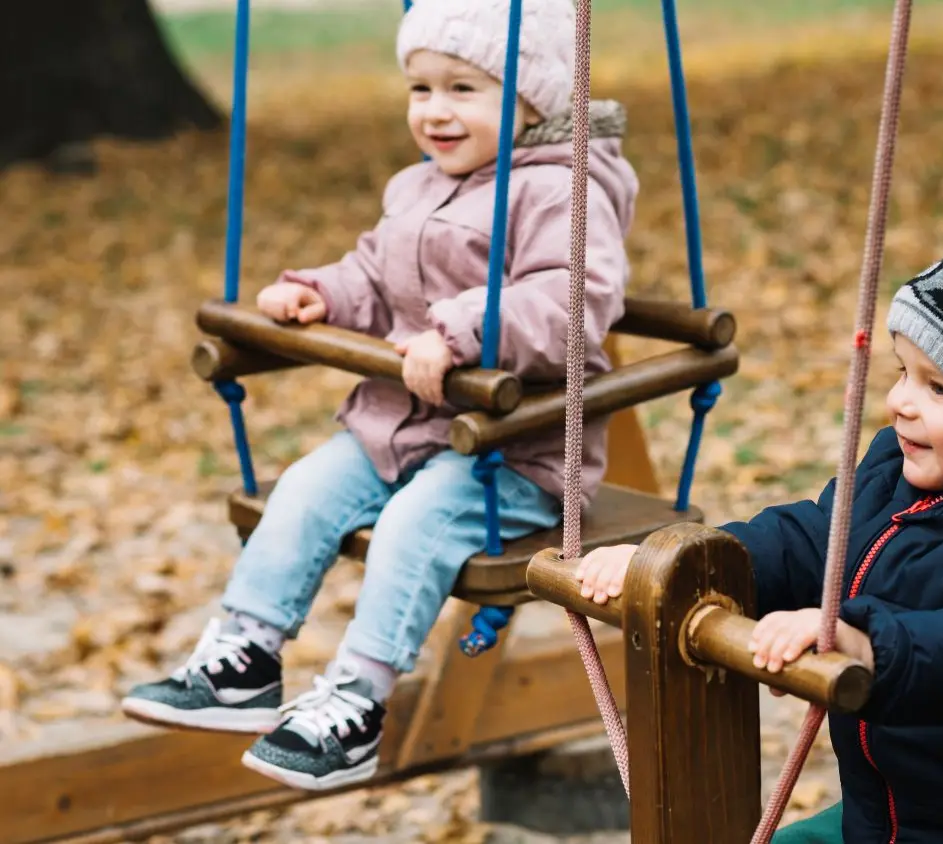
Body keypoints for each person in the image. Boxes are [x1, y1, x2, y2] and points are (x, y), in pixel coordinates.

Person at [122, 0, 639, 792]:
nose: (435, 110)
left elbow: (573, 304)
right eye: (420, 88)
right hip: (395, 427)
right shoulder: (419, 187)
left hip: (506, 457)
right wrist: (318, 294)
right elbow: (374, 273)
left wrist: (462, 332)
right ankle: (244, 655)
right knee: (303, 487)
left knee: (413, 524)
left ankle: (358, 703)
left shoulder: (563, 194)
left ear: (534, 97)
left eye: (465, 89)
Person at [575, 210, 943, 843]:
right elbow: (814, 540)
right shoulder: (899, 473)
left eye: (939, 389)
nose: (901, 401)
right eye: (902, 373)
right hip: (890, 818)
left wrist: (868, 645)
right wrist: (693, 564)